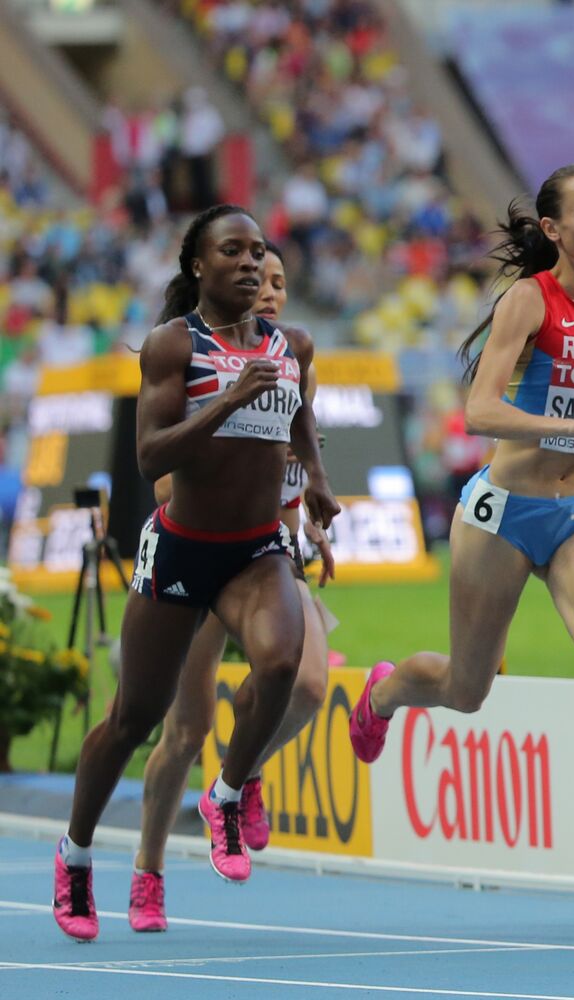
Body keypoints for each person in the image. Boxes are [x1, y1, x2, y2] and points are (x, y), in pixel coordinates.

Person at [348, 165, 574, 908]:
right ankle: (389, 690)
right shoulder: (529, 302)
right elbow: (481, 410)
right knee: (468, 689)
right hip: (503, 511)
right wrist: (566, 425)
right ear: (554, 229)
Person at [53, 205, 339, 941]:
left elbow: (300, 413)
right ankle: (77, 853)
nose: (251, 265)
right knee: (134, 721)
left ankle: (228, 792)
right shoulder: (173, 346)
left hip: (256, 550)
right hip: (182, 550)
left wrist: (315, 480)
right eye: (233, 253)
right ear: (198, 268)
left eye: (260, 253)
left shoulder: (292, 343)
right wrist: (228, 402)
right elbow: (152, 457)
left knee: (283, 666)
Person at [127, 241, 338, 933]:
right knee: (183, 730)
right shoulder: (193, 358)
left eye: (279, 280)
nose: (269, 289)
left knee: (305, 684)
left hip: (267, 556)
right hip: (197, 553)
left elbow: (302, 451)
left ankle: (238, 779)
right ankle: (148, 872)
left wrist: (314, 517)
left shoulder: (290, 361)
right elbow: (164, 477)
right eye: (259, 278)